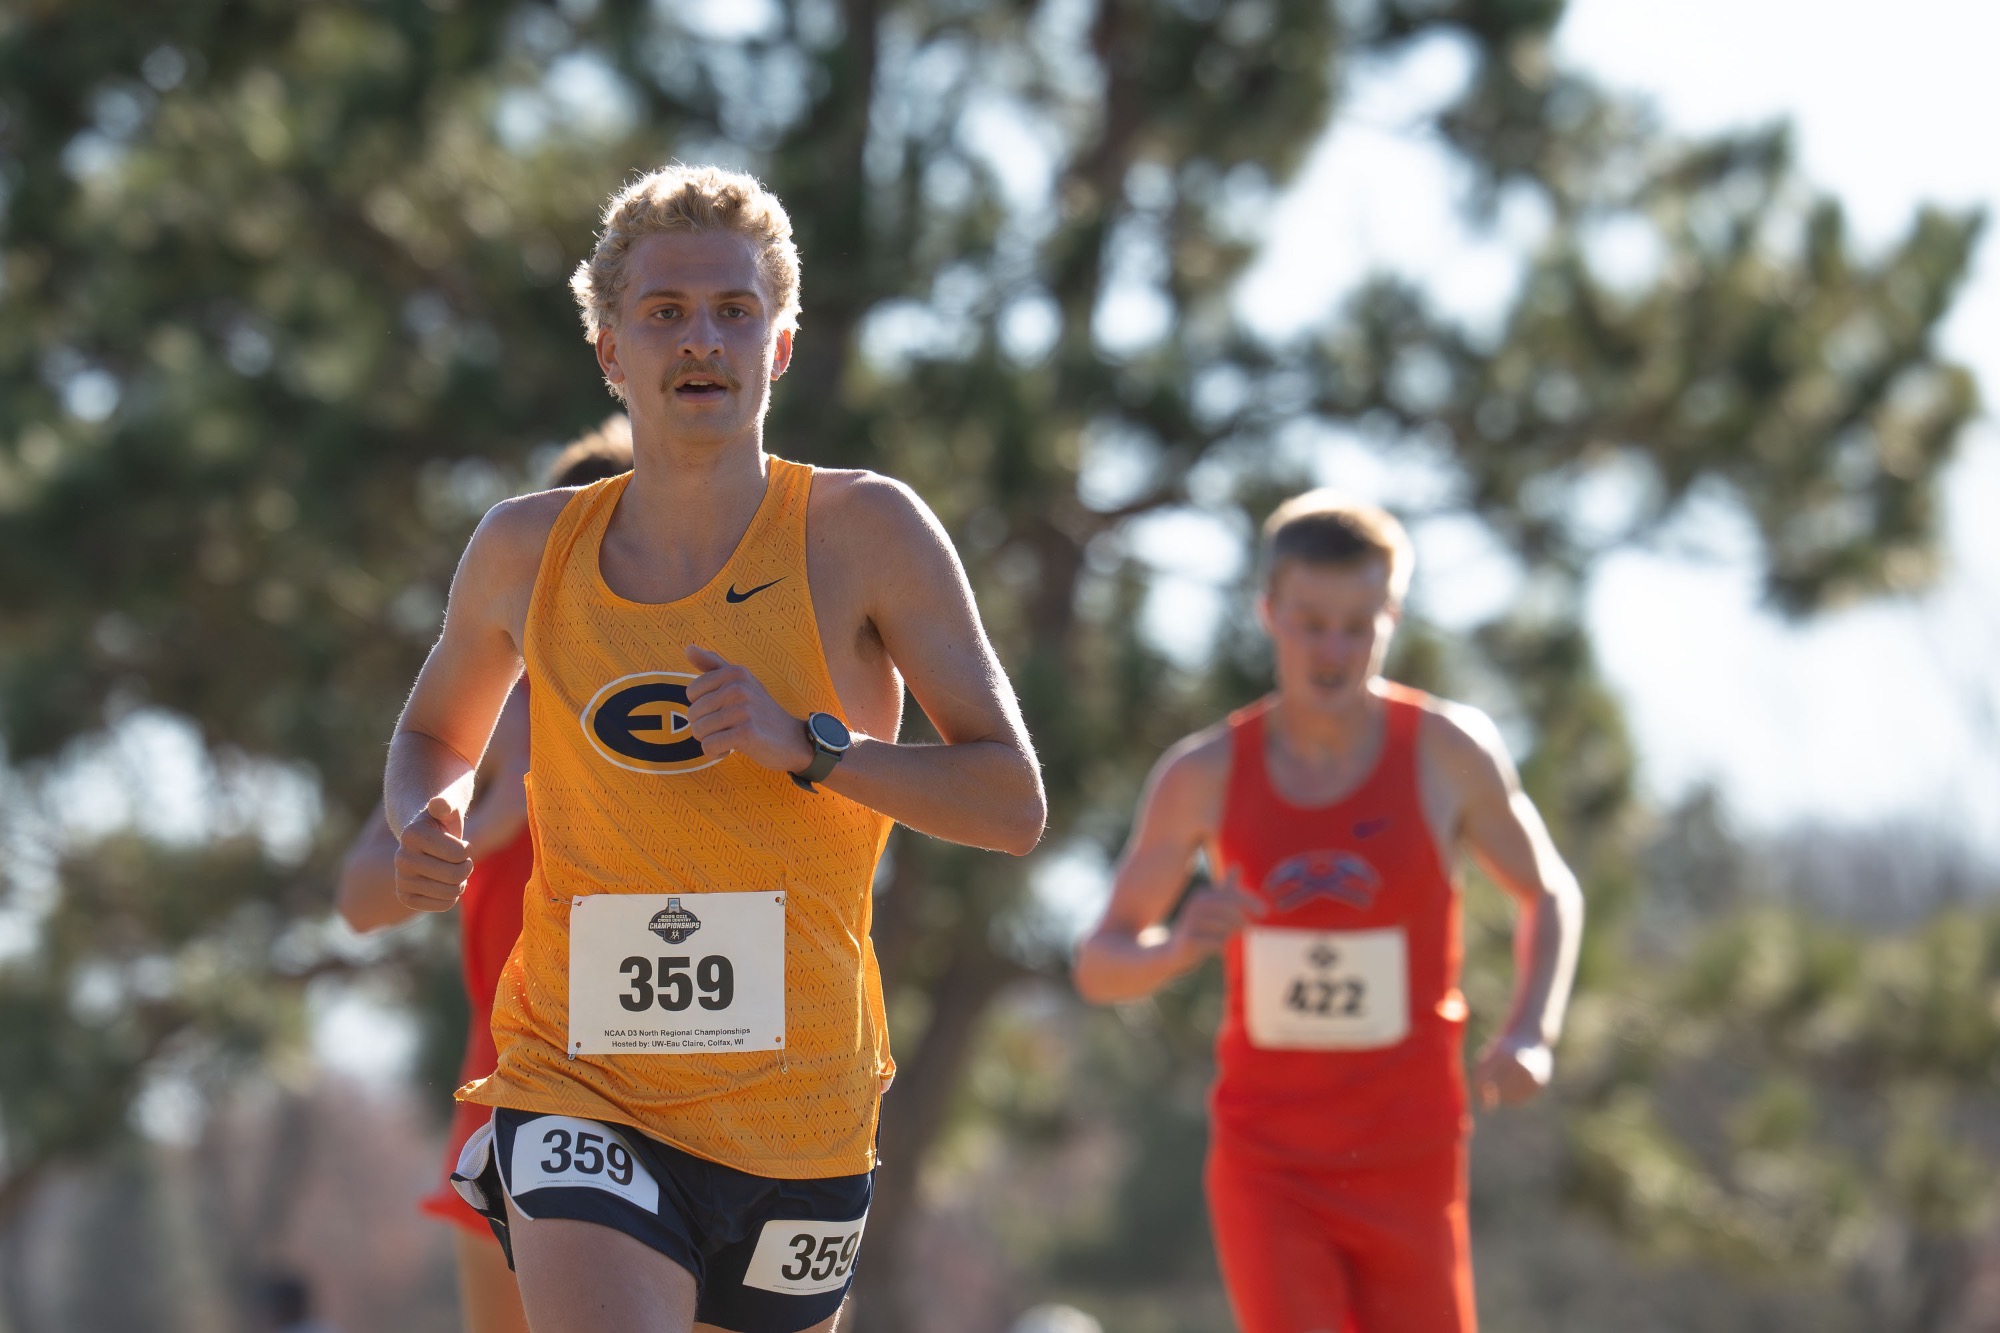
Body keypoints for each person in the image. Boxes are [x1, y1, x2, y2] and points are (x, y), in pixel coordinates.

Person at [385, 163, 1045, 1333]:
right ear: (610, 351)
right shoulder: (524, 550)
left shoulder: (865, 532)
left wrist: (815, 748)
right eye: (665, 311)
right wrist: (423, 811)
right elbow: (436, 729)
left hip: (798, 1111)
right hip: (580, 1080)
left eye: (734, 310)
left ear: (778, 346)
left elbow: (1010, 800)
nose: (701, 339)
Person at [1073, 491, 1585, 1333]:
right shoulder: (1203, 774)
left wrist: (1533, 1028)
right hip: (1269, 1161)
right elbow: (1100, 966)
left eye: (1358, 625)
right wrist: (1176, 945)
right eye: (1310, 623)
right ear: (1268, 612)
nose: (1333, 650)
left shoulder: (1449, 752)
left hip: (1413, 1154)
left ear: (1392, 617)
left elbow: (1550, 891)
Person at [335, 418, 634, 1333]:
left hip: (693, 1088)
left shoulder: (708, 698)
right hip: (510, 1089)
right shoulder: (502, 708)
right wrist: (486, 820)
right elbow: (358, 896)